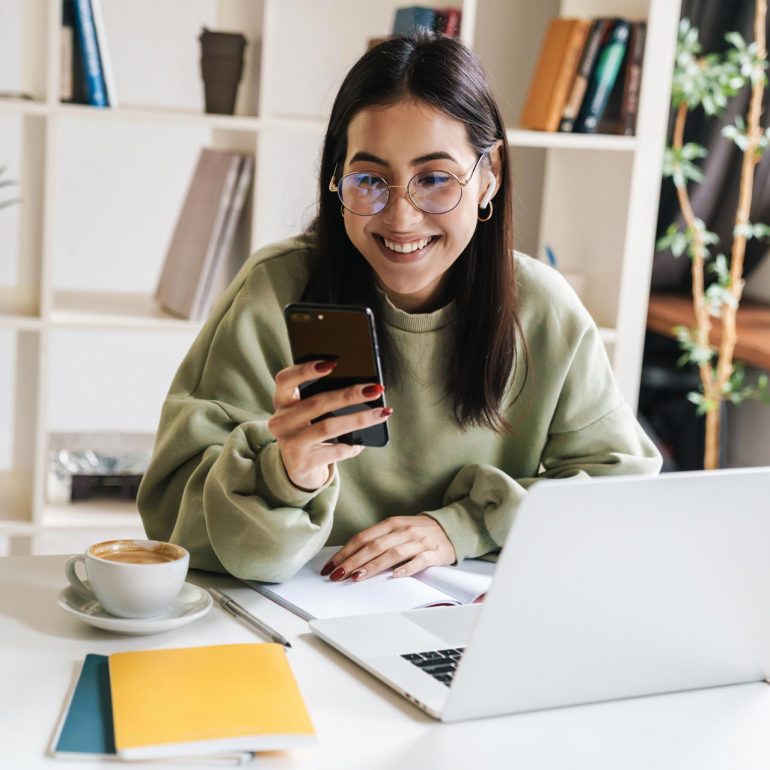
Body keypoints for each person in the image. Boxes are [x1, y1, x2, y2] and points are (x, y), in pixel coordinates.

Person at [137, 33, 661, 584]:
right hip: (298, 613)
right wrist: (289, 475)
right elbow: (175, 527)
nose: (401, 217)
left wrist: (463, 529)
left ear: (490, 176)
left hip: (467, 623)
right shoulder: (273, 292)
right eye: (370, 180)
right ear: (337, 177)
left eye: (434, 179)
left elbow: (619, 495)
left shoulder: (544, 311)